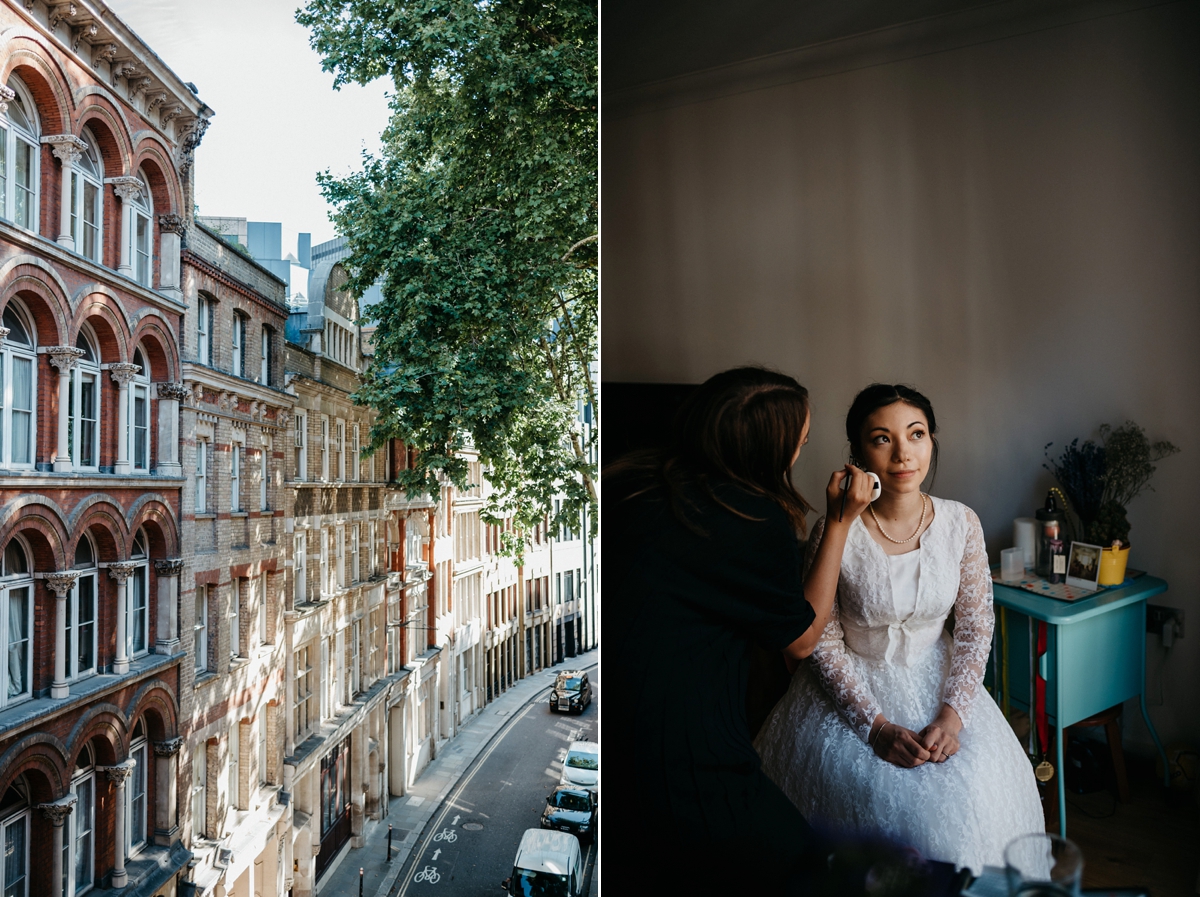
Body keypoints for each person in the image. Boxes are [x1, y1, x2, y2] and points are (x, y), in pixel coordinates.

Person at [753, 384, 1044, 874]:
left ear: (932, 441)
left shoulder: (961, 523)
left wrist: (953, 715)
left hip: (941, 681)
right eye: (882, 439)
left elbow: (974, 624)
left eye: (916, 434)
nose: (903, 453)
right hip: (853, 687)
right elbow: (820, 638)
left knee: (974, 799)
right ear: (858, 452)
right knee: (889, 815)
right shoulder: (836, 527)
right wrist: (876, 727)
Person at [605, 366, 875, 895]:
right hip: (681, 754)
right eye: (798, 444)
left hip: (620, 733)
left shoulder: (630, 480)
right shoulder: (748, 518)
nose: (799, 453)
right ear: (765, 455)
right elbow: (800, 638)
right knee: (801, 868)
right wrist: (839, 522)